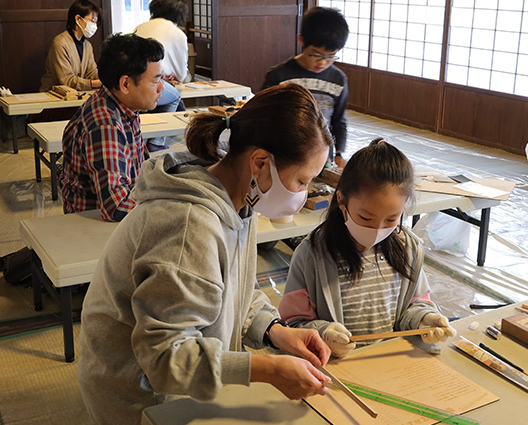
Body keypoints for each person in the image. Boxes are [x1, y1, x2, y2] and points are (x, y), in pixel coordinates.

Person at [78, 84, 335, 423]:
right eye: (302, 181)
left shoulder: (240, 198)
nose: (303, 194)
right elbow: (166, 357)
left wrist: (275, 330)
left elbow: (233, 292)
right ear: (259, 163)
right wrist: (268, 368)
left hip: (172, 378)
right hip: (141, 393)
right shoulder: (189, 227)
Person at [278, 139, 457, 358]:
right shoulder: (312, 255)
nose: (377, 229)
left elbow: (414, 303)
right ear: (342, 200)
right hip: (337, 369)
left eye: (391, 219)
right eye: (365, 217)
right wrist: (323, 333)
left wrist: (425, 318)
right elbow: (291, 324)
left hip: (387, 361)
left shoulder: (407, 249)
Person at [60, 33, 164, 222]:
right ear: (125, 84)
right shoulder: (105, 124)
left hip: (113, 218)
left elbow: (141, 169)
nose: (161, 88)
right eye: (155, 81)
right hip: (91, 227)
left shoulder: (123, 105)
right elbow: (116, 207)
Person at [261, 7, 349, 168]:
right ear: (301, 40)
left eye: (330, 57)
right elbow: (262, 118)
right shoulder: (279, 76)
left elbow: (339, 121)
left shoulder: (338, 79)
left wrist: (339, 153)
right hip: (284, 156)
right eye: (315, 54)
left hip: (321, 158)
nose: (322, 62)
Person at [134, 0, 189, 151]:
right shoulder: (177, 33)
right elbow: (181, 74)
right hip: (147, 86)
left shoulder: (140, 27)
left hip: (130, 83)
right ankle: (157, 142)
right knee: (175, 96)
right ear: (178, 16)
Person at [39, 0, 102, 92]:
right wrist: (95, 83)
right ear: (78, 19)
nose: (94, 26)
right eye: (92, 21)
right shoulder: (60, 43)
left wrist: (106, 78)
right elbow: (66, 80)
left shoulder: (87, 45)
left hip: (76, 96)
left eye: (96, 23)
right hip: (54, 97)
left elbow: (91, 73)